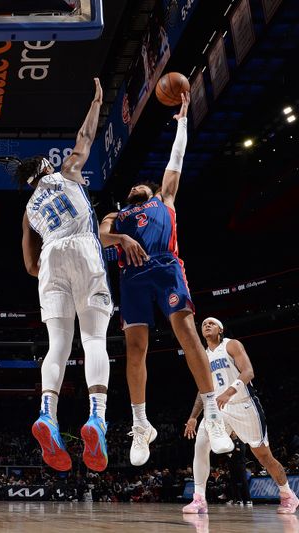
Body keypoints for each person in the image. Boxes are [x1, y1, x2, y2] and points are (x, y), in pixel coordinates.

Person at [99, 93, 234, 466]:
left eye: (142, 187)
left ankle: (212, 413)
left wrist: (183, 122)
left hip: (166, 268)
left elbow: (177, 160)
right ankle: (141, 425)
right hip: (132, 277)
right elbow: (100, 235)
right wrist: (122, 238)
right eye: (133, 190)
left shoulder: (165, 199)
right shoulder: (117, 215)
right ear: (129, 197)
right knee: (136, 350)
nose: (137, 189)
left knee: (189, 336)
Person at [20, 78, 112, 472]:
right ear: (45, 167)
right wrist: (96, 101)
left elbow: (29, 263)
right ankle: (97, 417)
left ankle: (48, 414)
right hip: (83, 248)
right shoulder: (68, 171)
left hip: (50, 258)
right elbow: (85, 135)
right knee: (93, 339)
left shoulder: (28, 208)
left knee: (57, 345)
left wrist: (47, 271)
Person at [182, 317, 299, 515]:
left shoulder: (231, 345)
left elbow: (248, 372)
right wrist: (193, 416)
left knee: (263, 456)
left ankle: (288, 495)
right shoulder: (202, 355)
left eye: (211, 323)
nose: (206, 325)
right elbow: (201, 390)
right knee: (201, 445)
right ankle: (199, 498)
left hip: (243, 404)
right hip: (217, 408)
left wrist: (228, 392)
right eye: (203, 324)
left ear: (220, 329)